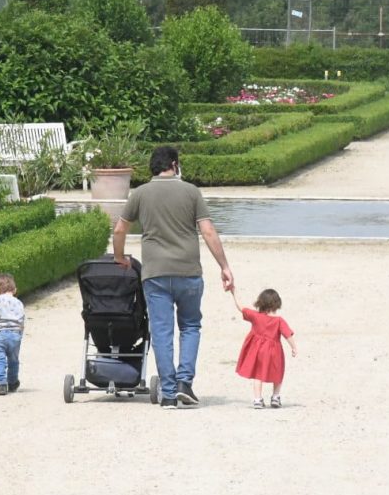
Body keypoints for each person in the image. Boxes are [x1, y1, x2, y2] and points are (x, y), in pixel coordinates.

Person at [113, 145, 234, 410]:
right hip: (188, 271)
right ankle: (184, 383)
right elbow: (208, 231)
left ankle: (168, 394)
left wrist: (119, 257)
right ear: (175, 164)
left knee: (162, 331)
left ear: (152, 167)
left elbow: (120, 229)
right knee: (190, 326)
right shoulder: (191, 191)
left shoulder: (140, 193)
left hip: (155, 273)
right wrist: (224, 266)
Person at [231, 287, 297, 409]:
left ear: (260, 302)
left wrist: (233, 292)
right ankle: (276, 397)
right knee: (278, 372)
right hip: (274, 351)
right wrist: (294, 347)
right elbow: (287, 334)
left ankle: (257, 399)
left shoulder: (256, 316)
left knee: (258, 374)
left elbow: (241, 307)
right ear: (277, 304)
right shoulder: (279, 321)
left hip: (258, 351)